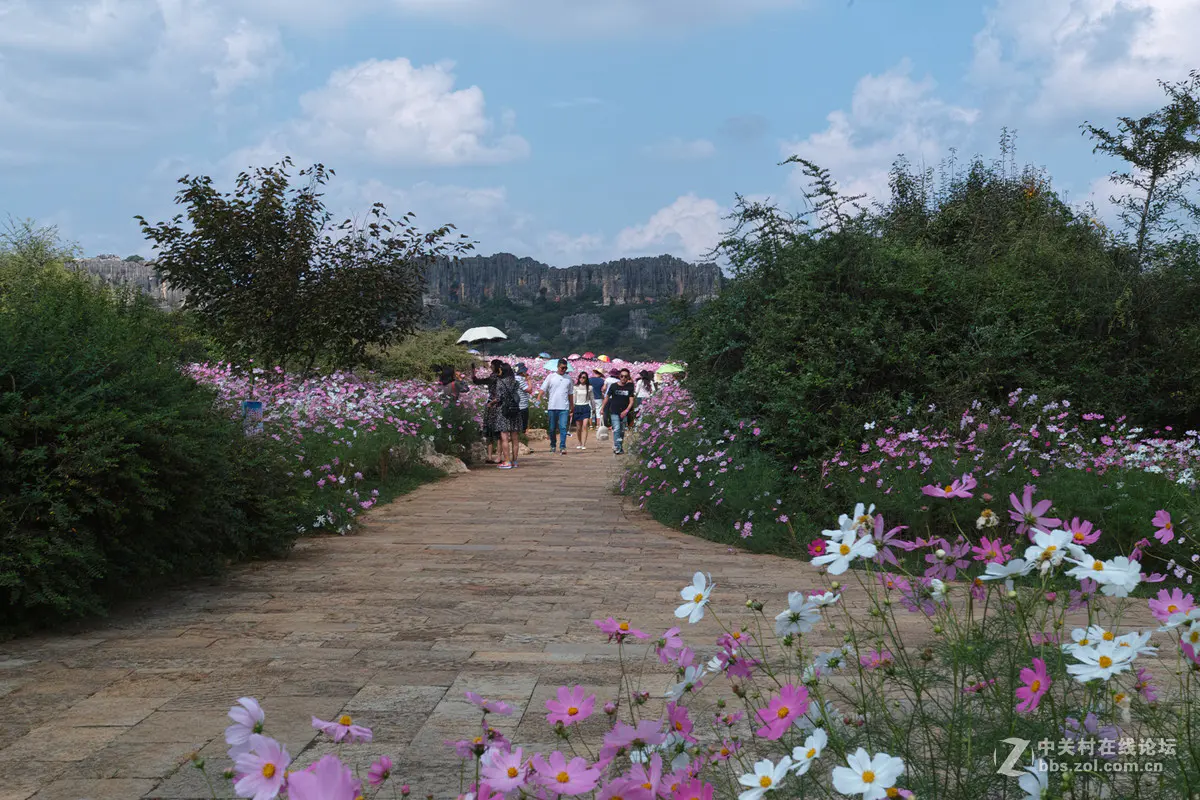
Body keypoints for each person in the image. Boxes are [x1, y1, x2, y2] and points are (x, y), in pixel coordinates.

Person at [536, 359, 573, 454]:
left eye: (565, 368)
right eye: (562, 368)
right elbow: (543, 388)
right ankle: (553, 444)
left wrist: (572, 406)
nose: (563, 370)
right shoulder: (551, 377)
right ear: (558, 367)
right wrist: (539, 397)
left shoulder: (568, 379)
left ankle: (562, 446)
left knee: (563, 427)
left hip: (564, 407)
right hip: (552, 406)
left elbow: (570, 393)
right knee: (552, 428)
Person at [491, 363, 522, 469]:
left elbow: (499, 398)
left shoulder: (500, 382)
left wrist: (491, 403)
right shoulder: (515, 382)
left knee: (504, 437)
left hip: (504, 411)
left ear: (502, 371)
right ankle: (515, 461)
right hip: (515, 411)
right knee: (515, 438)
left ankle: (507, 462)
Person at [472, 360, 503, 463]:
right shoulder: (502, 377)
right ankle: (498, 456)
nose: (490, 366)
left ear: (494, 366)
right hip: (499, 405)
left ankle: (490, 457)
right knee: (498, 432)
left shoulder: (494, 377)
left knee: (490, 431)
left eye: (491, 365)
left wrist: (473, 372)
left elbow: (477, 381)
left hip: (492, 404)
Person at [604, 367, 635, 455]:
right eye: (622, 376)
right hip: (614, 411)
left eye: (626, 376)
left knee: (622, 431)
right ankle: (617, 447)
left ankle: (619, 446)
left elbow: (631, 401)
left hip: (624, 412)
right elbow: (607, 397)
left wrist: (626, 411)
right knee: (617, 429)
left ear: (628, 377)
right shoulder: (614, 386)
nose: (623, 378)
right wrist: (602, 408)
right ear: (619, 376)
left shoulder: (630, 386)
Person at [571, 371, 593, 450]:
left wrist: (593, 408)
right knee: (578, 427)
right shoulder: (576, 387)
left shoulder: (589, 387)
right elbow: (574, 398)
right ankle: (579, 442)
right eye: (580, 377)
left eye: (584, 377)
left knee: (584, 426)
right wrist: (572, 408)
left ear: (586, 378)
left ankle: (584, 444)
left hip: (586, 407)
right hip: (578, 407)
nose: (582, 379)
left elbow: (592, 398)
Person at [514, 363, 532, 435]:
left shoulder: (514, 378)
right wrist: (529, 380)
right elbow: (529, 390)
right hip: (522, 406)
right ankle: (521, 442)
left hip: (517, 405)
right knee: (522, 427)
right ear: (522, 372)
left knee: (517, 426)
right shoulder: (519, 380)